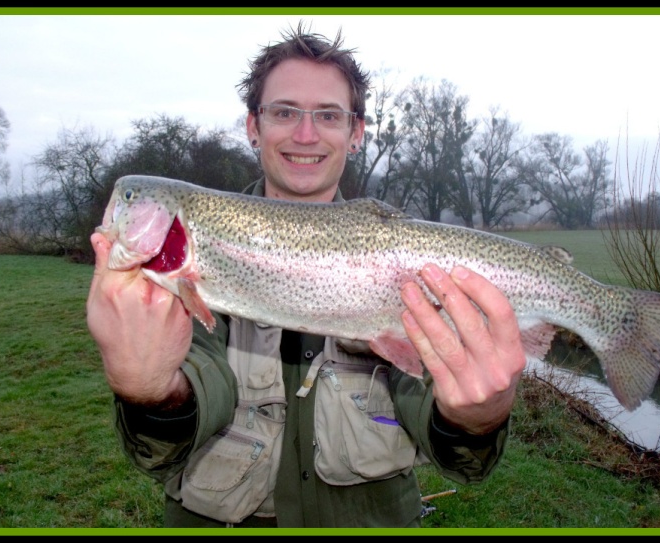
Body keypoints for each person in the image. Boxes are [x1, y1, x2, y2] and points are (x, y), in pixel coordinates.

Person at [86, 23, 526, 528]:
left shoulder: (409, 258)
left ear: (356, 132)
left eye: (327, 115)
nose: (305, 133)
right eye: (285, 111)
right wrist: (150, 391)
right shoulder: (178, 271)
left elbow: (458, 454)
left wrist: (479, 416)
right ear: (253, 125)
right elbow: (162, 444)